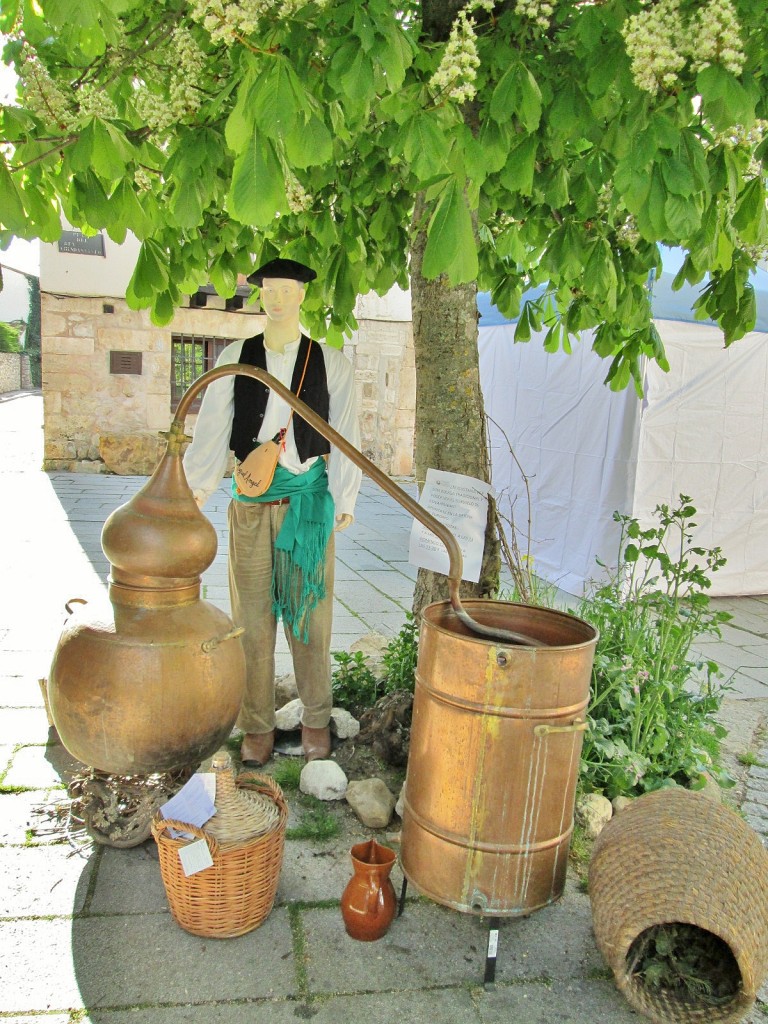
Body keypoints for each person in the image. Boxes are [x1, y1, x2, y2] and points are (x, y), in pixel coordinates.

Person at [183, 257, 362, 766]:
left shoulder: (332, 362)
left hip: (306, 508)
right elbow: (213, 429)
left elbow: (344, 437)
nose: (278, 298)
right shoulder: (235, 358)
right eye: (270, 289)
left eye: (288, 289)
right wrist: (197, 489)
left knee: (311, 617)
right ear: (260, 294)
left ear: (303, 295)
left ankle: (316, 719)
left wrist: (345, 498)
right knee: (251, 618)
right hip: (250, 506)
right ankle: (257, 724)